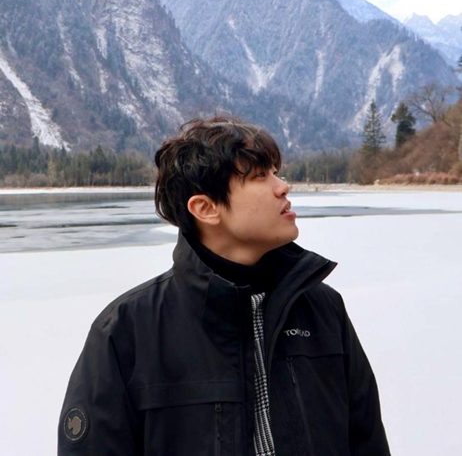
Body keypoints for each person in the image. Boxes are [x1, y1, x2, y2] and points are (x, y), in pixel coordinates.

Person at [58, 115, 391, 456]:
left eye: (276, 172)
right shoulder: (127, 330)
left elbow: (367, 441)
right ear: (205, 208)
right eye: (260, 176)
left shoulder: (321, 308)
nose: (282, 187)